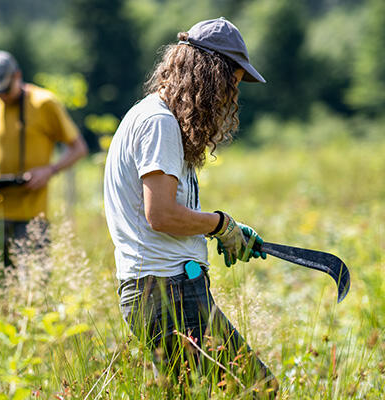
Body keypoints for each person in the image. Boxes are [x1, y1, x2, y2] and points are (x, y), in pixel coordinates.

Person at [103, 18, 277, 397]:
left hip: (169, 288)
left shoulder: (157, 120)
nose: (231, 95)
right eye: (230, 82)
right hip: (165, 293)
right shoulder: (159, 123)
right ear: (209, 74)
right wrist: (220, 224)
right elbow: (161, 215)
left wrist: (223, 230)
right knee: (258, 389)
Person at [0, 50, 88, 293]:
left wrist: (49, 171)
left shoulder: (44, 103)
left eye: (4, 89)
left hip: (32, 212)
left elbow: (78, 148)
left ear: (17, 76)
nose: (0, 96)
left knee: (36, 286)